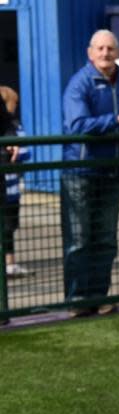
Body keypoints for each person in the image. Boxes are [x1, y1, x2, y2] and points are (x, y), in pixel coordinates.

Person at [61, 29, 119, 316]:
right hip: (81, 172)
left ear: (116, 51)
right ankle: (78, 300)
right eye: (100, 49)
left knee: (106, 239)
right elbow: (78, 125)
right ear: (90, 52)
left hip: (113, 171)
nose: (105, 53)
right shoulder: (79, 83)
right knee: (80, 240)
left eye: (110, 48)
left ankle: (99, 295)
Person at [1, 86, 32, 279]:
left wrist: (17, 152)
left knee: (9, 226)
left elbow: (27, 151)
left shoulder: (14, 126)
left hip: (11, 190)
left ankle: (10, 264)